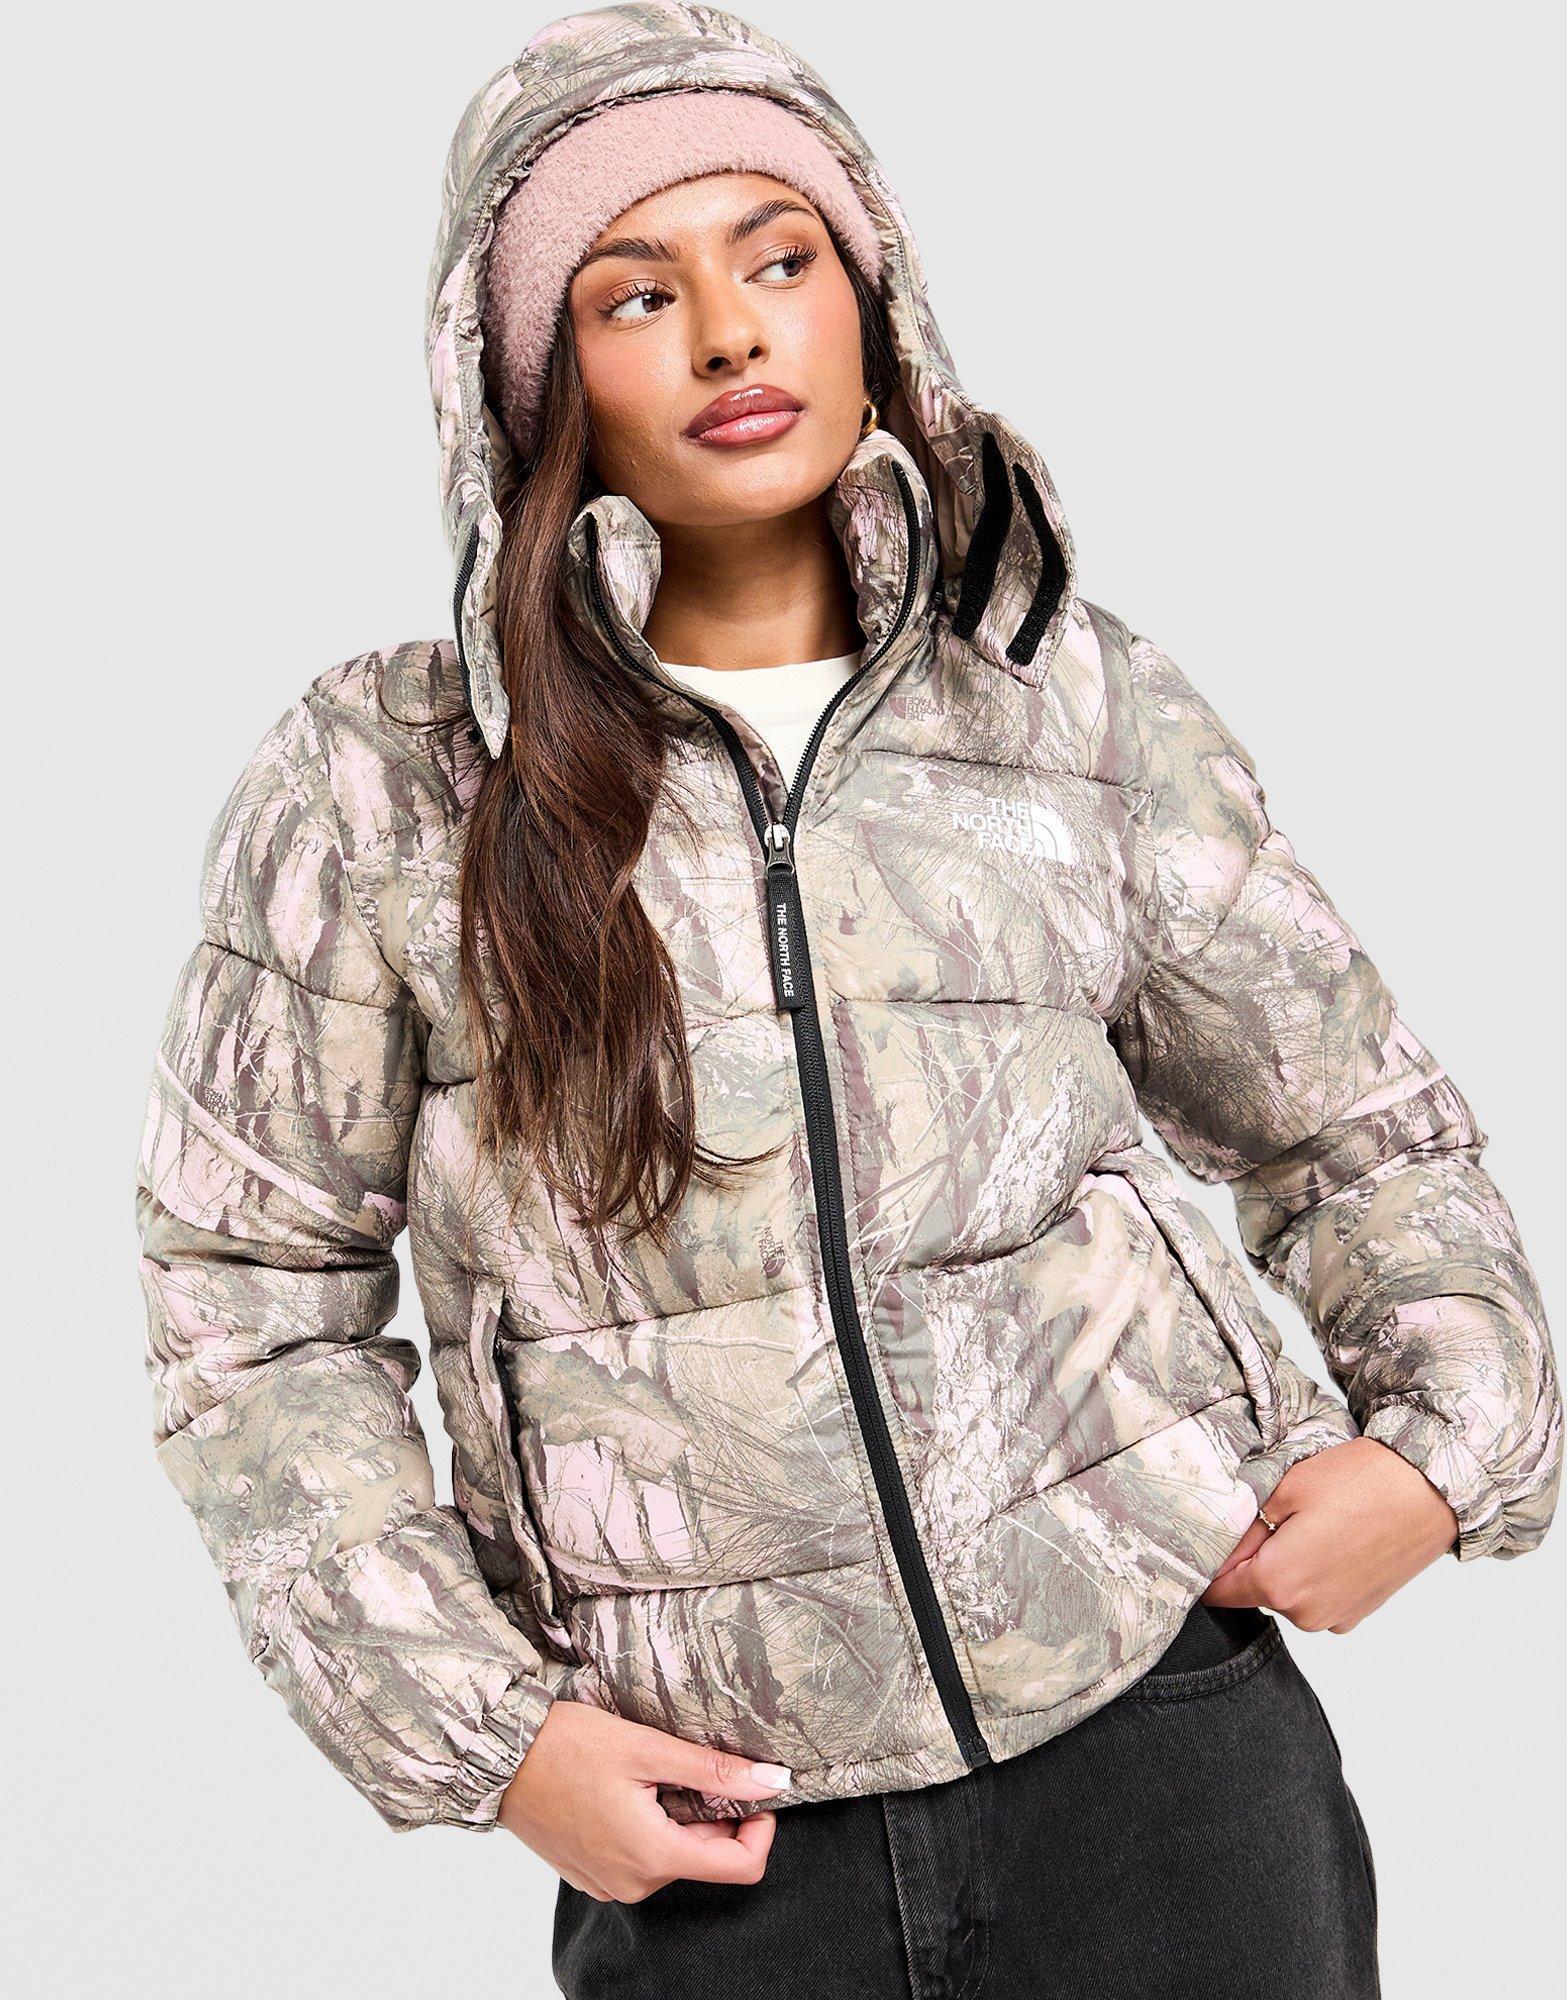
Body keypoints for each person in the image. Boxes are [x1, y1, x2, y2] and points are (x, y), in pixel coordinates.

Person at [132, 7, 1560, 1996]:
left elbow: (1356, 1126)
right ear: (534, 383)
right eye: (639, 295)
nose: (732, 334)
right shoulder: (383, 787)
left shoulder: (1065, 702)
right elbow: (246, 1302)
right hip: (715, 1832)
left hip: (1162, 1755)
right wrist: (488, 1731)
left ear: (872, 306)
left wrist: (1444, 1440)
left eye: (779, 258)